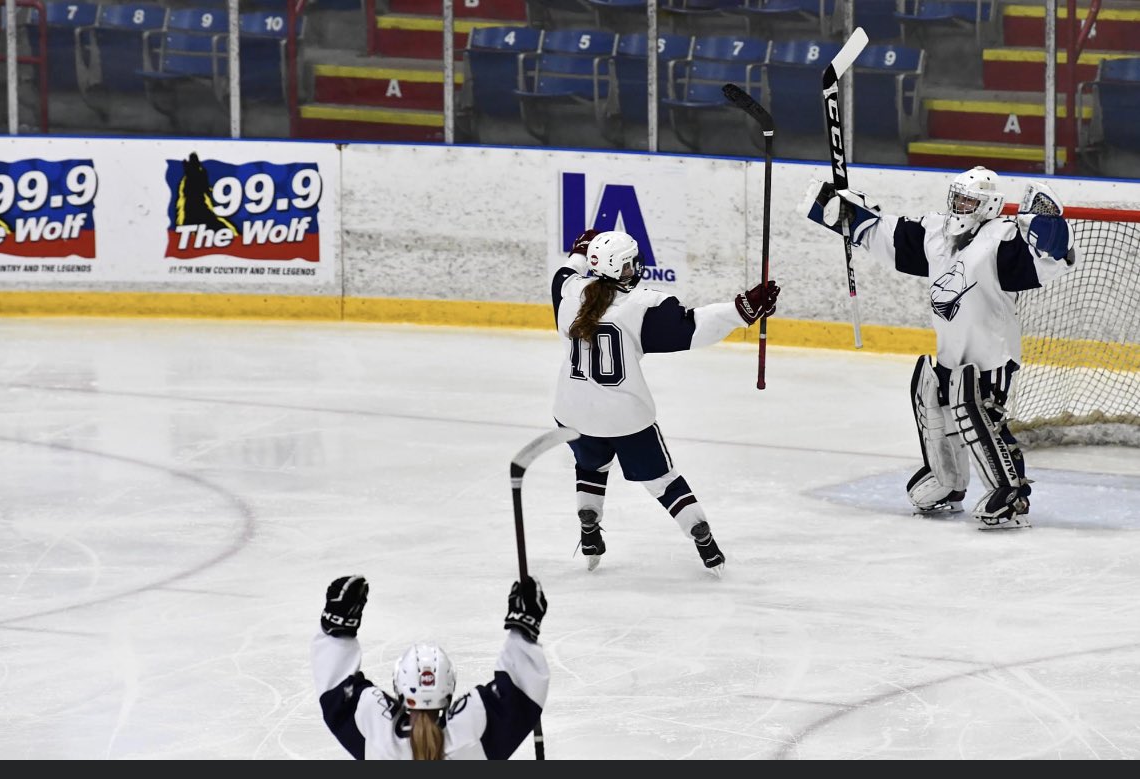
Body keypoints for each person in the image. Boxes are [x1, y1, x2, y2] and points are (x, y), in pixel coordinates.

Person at [799, 166, 1080, 530]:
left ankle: (1011, 492)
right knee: (932, 401)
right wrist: (847, 217)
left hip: (991, 354)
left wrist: (1050, 234)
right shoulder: (937, 232)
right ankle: (948, 482)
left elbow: (1048, 260)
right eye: (957, 198)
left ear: (988, 205)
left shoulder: (1000, 238)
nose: (960, 206)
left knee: (979, 414)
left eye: (969, 201)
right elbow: (890, 236)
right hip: (951, 350)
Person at [550, 228, 780, 575]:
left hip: (572, 411)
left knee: (590, 465)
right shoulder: (640, 307)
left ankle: (589, 523)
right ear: (621, 269)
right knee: (663, 482)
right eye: (629, 264)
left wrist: (583, 252)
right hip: (625, 419)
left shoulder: (568, 293)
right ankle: (702, 538)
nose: (634, 268)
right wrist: (743, 309)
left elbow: (567, 271)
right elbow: (695, 326)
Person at [311, 574, 550, 760]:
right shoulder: (471, 733)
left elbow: (336, 695)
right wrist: (524, 627)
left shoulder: (380, 737)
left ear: (399, 686)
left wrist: (337, 624)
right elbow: (521, 695)